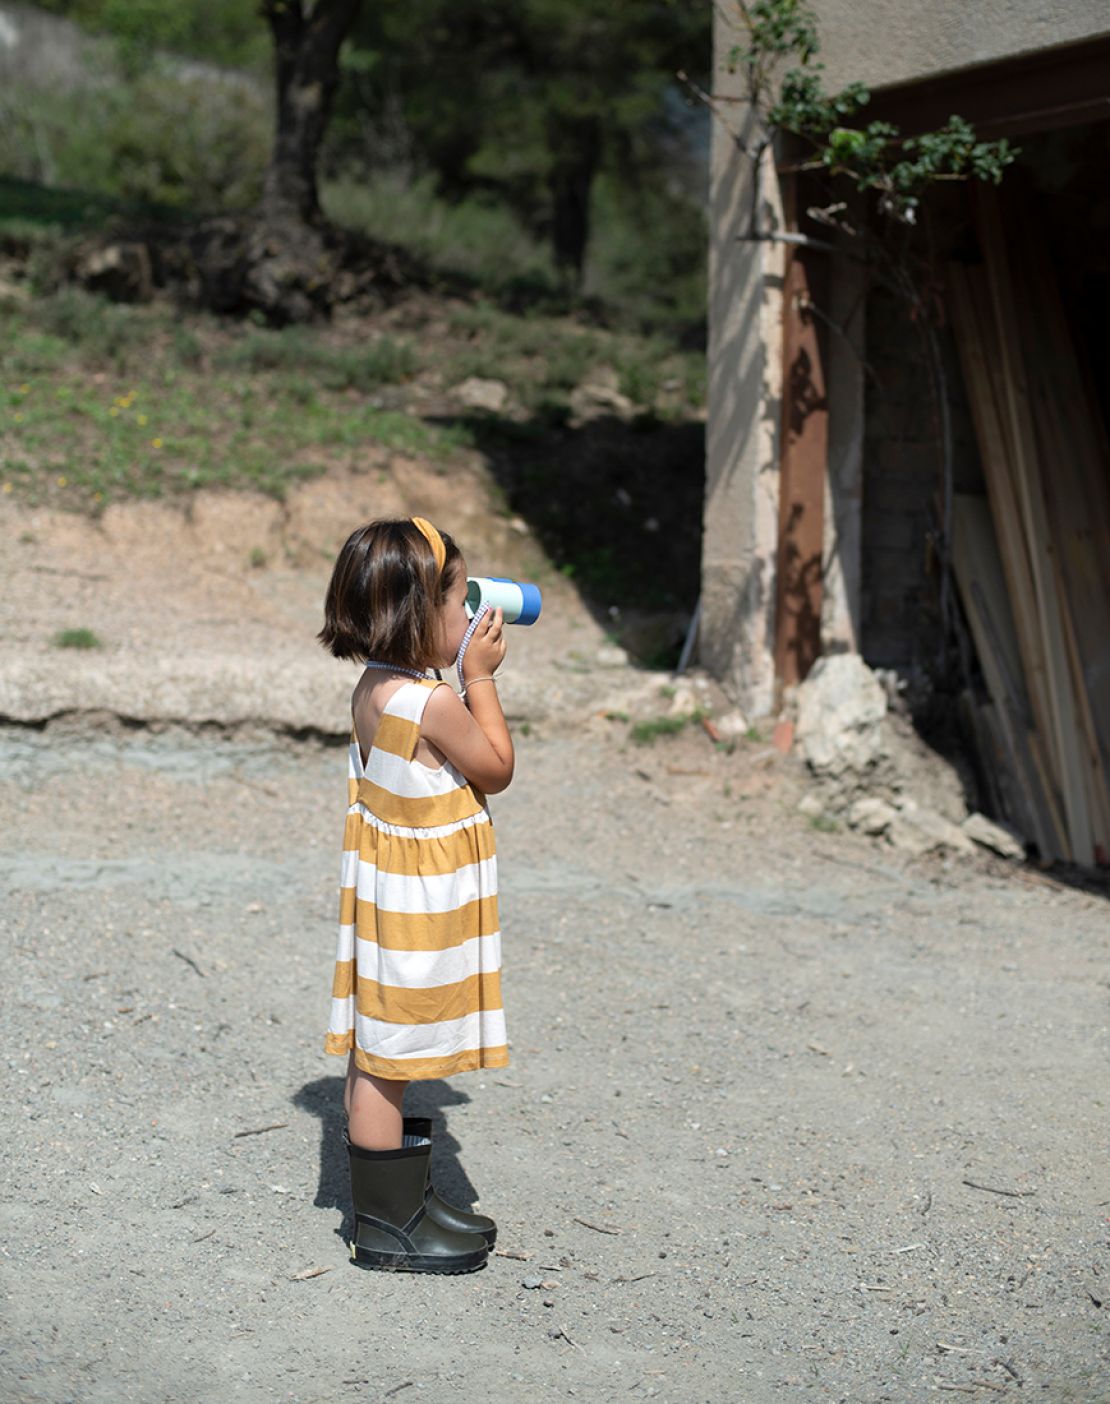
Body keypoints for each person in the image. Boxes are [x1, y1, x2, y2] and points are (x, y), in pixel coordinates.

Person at [318, 516, 514, 1274]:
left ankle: (408, 1203)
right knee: (387, 1058)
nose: (470, 618)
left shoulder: (377, 689)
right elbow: (495, 767)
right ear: (415, 612)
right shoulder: (433, 703)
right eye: (460, 600)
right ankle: (387, 1226)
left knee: (383, 1052)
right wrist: (481, 677)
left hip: (390, 893)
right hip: (420, 904)